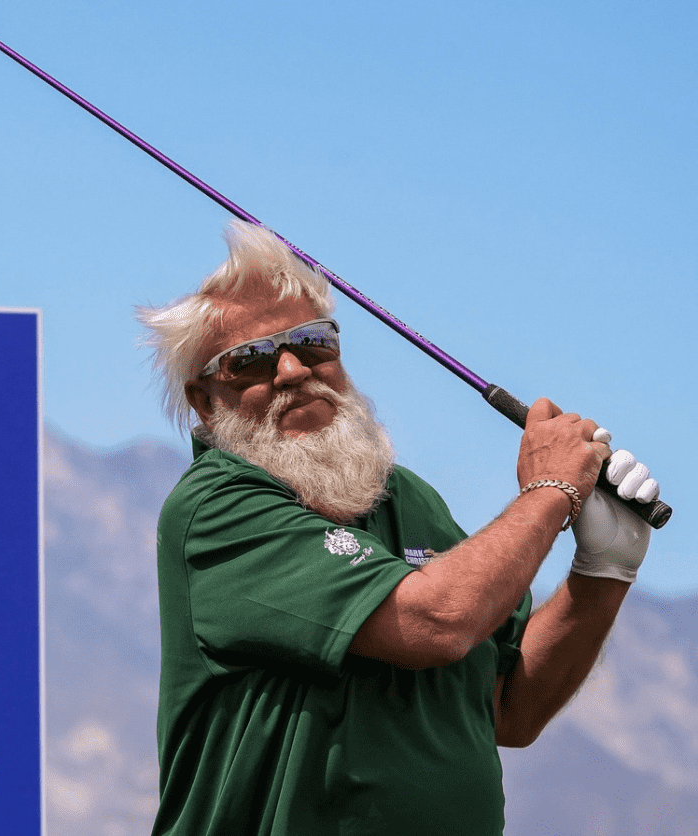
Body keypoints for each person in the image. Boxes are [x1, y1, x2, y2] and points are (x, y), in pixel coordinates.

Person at [136, 220, 661, 835]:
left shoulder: (407, 496)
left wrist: (604, 571)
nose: (290, 370)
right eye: (248, 359)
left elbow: (511, 708)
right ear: (204, 401)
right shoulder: (220, 505)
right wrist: (551, 490)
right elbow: (434, 621)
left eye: (312, 341)